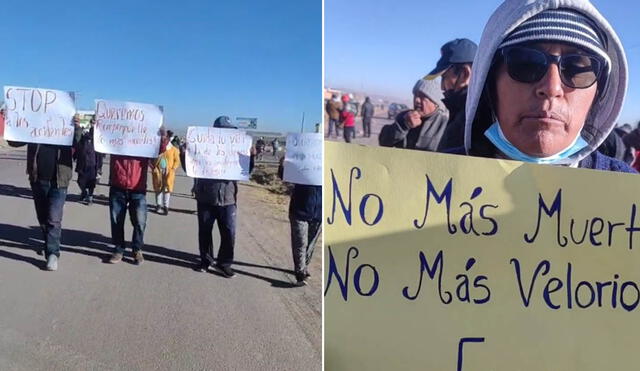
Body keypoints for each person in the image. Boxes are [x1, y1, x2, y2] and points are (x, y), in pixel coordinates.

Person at [455, 0, 635, 174]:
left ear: (598, 92)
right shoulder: (434, 179)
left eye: (577, 68)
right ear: (489, 82)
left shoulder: (629, 192)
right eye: (526, 64)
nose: (552, 88)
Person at [5, 114, 73, 271]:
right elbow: (14, 141)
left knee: (53, 219)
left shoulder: (65, 130)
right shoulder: (34, 129)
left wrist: (74, 128)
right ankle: (48, 243)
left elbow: (79, 143)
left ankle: (53, 254)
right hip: (38, 179)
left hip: (59, 181)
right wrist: (11, 122)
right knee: (43, 217)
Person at [194, 116, 254, 278]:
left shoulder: (236, 149)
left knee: (229, 233)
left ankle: (224, 263)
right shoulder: (205, 147)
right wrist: (185, 154)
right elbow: (191, 168)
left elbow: (246, 170)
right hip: (206, 198)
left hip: (228, 199)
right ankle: (206, 261)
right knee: (205, 231)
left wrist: (252, 156)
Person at [424, 38, 477, 152]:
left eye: (444, 77)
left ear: (464, 74)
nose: (442, 87)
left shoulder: (473, 118)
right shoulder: (464, 111)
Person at [278, 158, 322, 286]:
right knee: (300, 242)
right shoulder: (303, 158)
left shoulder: (328, 161)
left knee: (310, 243)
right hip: (299, 210)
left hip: (319, 212)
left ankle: (304, 266)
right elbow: (285, 176)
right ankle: (300, 273)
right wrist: (283, 165)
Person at [378, 78, 449, 151]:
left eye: (423, 96)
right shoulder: (404, 117)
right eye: (415, 95)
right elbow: (383, 142)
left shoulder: (445, 123)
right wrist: (403, 125)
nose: (417, 100)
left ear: (435, 102)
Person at [107, 150, 151, 265]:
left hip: (138, 187)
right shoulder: (117, 133)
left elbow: (157, 150)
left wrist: (163, 138)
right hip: (118, 184)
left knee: (140, 221)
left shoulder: (144, 137)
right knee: (116, 220)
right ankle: (118, 249)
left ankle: (137, 249)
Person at [151, 129, 181, 215]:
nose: (163, 139)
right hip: (158, 171)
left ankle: (166, 206)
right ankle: (158, 205)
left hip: (169, 172)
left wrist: (173, 169)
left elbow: (177, 161)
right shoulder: (156, 148)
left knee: (167, 189)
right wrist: (153, 167)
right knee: (158, 188)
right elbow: (151, 159)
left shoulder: (173, 149)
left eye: (165, 137)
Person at [73, 118, 102, 205]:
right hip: (82, 163)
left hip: (93, 164)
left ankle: (90, 196)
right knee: (80, 181)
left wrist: (99, 167)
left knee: (91, 182)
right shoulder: (82, 138)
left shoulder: (96, 138)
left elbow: (100, 152)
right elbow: (76, 144)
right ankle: (83, 192)